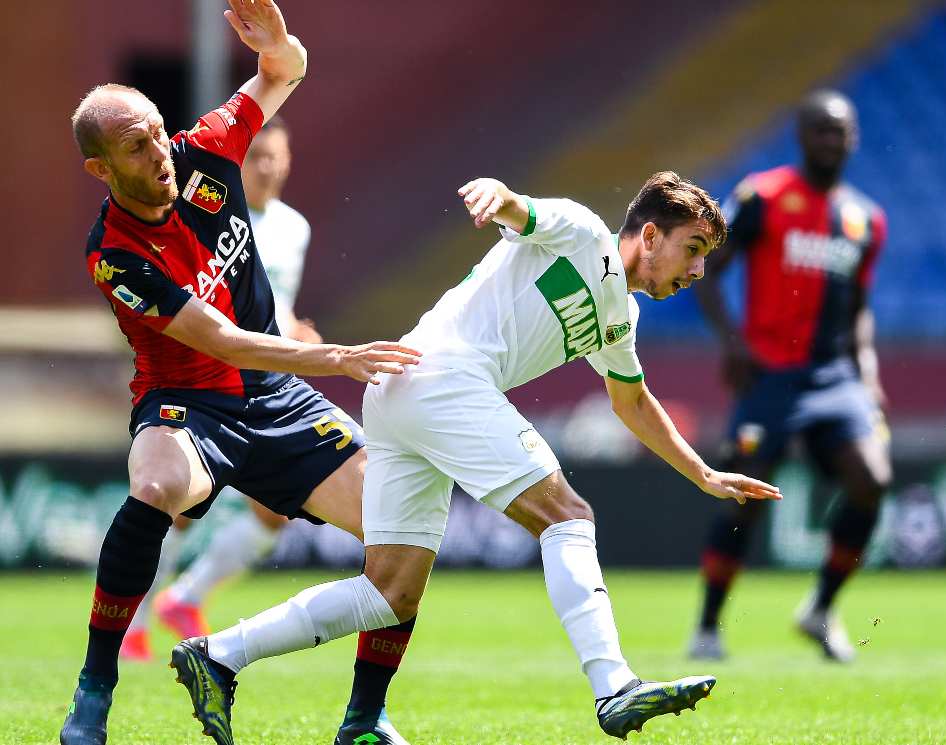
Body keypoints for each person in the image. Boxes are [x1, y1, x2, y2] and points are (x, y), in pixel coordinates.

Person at [169, 172, 782, 742]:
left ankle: (219, 656)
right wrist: (497, 194)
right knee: (567, 516)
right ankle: (613, 685)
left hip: (402, 387)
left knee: (389, 593)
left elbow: (633, 402)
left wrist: (702, 473)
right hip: (442, 378)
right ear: (650, 235)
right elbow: (522, 210)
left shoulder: (620, 315)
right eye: (693, 248)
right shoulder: (586, 233)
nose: (699, 269)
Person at [59, 2, 422, 744]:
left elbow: (285, 73)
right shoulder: (114, 253)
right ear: (101, 168)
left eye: (159, 132)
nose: (159, 152)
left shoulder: (206, 151)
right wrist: (336, 357)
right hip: (187, 401)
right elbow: (221, 340)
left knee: (406, 532)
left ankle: (362, 716)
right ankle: (95, 687)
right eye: (136, 147)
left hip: (276, 395)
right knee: (155, 486)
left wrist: (279, 46)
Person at [689, 89, 891, 663]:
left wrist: (869, 375)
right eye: (821, 130)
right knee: (743, 493)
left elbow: (859, 309)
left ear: (853, 139)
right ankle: (707, 626)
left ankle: (821, 609)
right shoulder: (762, 196)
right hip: (771, 373)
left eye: (841, 131)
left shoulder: (866, 220)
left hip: (834, 379)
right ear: (802, 136)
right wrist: (731, 342)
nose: (832, 140)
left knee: (871, 479)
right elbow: (707, 270)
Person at [120, 116, 320, 660]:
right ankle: (133, 621)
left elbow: (275, 299)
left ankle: (186, 596)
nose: (268, 167)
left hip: (264, 376)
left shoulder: (295, 228)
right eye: (256, 157)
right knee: (180, 506)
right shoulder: (210, 212)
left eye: (276, 156)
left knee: (273, 515)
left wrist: (296, 330)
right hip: (206, 378)